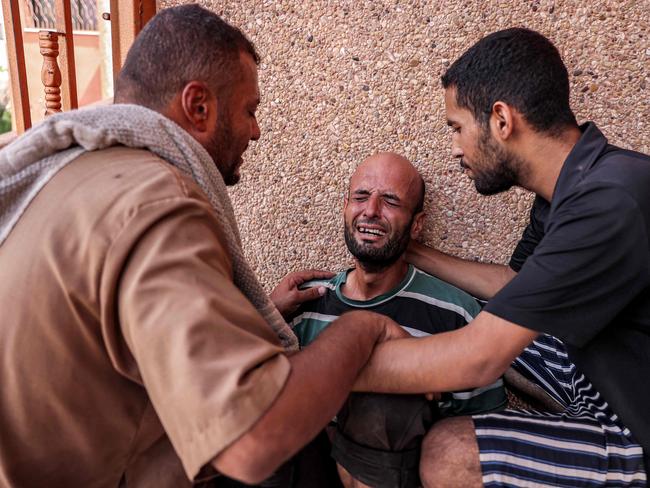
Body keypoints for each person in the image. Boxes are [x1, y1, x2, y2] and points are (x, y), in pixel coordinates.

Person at [0, 6, 406, 487]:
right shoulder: (156, 203)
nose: (256, 130)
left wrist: (254, 315)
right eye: (249, 110)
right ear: (199, 107)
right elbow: (252, 440)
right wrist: (362, 330)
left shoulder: (73, 174)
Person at [354, 28, 650, 487]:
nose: (455, 148)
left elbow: (479, 359)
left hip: (637, 425)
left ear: (501, 120)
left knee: (448, 453)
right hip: (610, 374)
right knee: (484, 315)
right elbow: (515, 286)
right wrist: (408, 250)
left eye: (456, 128)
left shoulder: (608, 202)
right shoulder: (566, 190)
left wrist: (323, 369)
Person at [291, 152, 506, 488]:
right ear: (345, 207)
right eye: (361, 197)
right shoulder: (303, 304)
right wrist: (265, 315)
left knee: (387, 396)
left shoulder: (455, 315)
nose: (371, 210)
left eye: (390, 200)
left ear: (416, 224)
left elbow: (480, 440)